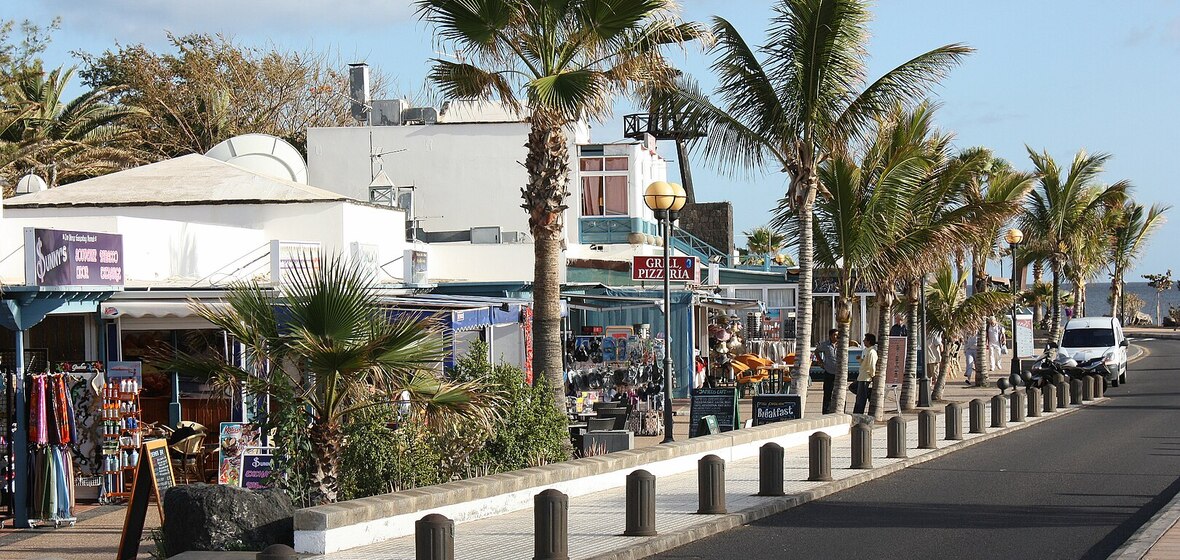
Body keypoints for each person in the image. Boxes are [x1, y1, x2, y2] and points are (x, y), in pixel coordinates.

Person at [814, 329, 840, 414]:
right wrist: (820, 361)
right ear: (830, 336)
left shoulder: (841, 345)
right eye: (835, 335)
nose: (836, 337)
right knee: (827, 393)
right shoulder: (825, 345)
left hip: (839, 373)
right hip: (829, 371)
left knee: (839, 393)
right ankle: (826, 412)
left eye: (837, 335)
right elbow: (816, 351)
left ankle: (838, 410)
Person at [853, 333, 877, 414]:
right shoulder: (866, 351)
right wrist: (860, 360)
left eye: (865, 340)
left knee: (860, 399)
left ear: (869, 341)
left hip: (866, 377)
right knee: (853, 388)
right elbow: (865, 363)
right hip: (861, 376)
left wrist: (872, 376)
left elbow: (871, 365)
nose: (863, 341)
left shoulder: (872, 352)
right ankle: (868, 393)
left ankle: (858, 414)